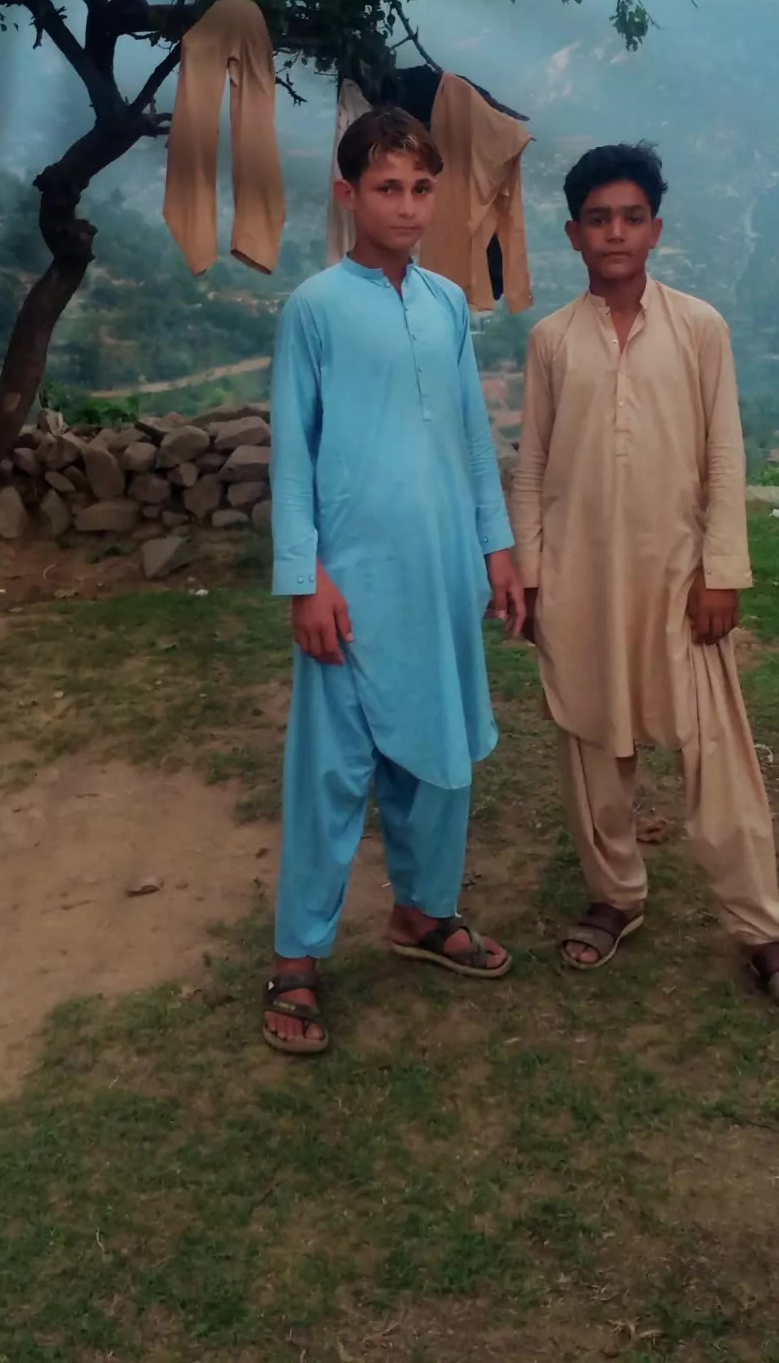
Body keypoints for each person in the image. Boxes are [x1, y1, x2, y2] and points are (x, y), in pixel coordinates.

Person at [510, 143, 779, 1022]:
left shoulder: (698, 328)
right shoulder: (551, 340)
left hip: (679, 579)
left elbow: (724, 456)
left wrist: (722, 572)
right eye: (598, 219)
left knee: (717, 758)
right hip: (579, 579)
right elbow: (531, 467)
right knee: (593, 748)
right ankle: (616, 896)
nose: (615, 232)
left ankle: (760, 926)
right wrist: (530, 577)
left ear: (656, 228)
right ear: (573, 233)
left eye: (631, 216)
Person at [264, 106, 524, 1055]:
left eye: (420, 187)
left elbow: (470, 436)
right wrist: (306, 579)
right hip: (352, 581)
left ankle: (423, 911)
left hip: (442, 570)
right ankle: (296, 958)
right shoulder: (316, 308)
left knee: (441, 751)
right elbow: (293, 454)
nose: (407, 206)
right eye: (386, 188)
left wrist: (496, 549)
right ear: (348, 194)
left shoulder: (449, 303)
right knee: (331, 770)